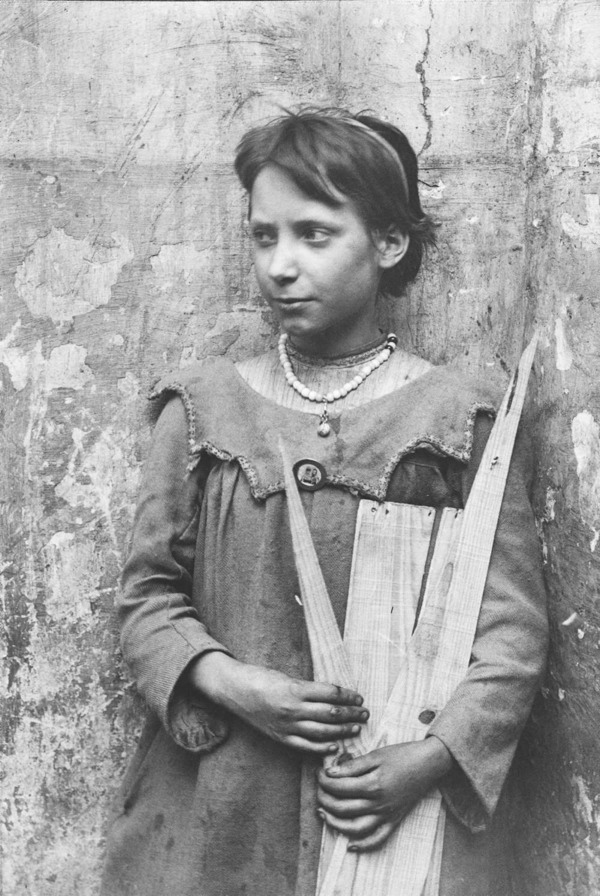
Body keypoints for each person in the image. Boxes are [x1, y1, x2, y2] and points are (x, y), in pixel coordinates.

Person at [101, 109, 548, 896]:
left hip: (393, 830)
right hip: (222, 814)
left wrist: (431, 758)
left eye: (314, 234)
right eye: (263, 236)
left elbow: (510, 628)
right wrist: (231, 683)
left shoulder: (457, 419)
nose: (280, 265)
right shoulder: (204, 410)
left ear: (388, 243)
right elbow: (147, 595)